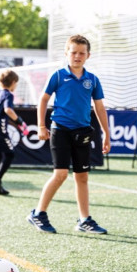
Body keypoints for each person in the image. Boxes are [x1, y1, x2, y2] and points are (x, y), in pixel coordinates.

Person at [27, 34, 110, 235]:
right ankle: (38, 213)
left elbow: (99, 108)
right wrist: (41, 126)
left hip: (83, 132)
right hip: (60, 130)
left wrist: (106, 134)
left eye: (82, 53)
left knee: (82, 177)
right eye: (73, 52)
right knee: (61, 174)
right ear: (67, 53)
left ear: (88, 55)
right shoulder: (57, 76)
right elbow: (43, 100)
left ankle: (84, 220)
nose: (77, 56)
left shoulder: (93, 80)